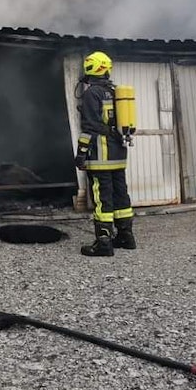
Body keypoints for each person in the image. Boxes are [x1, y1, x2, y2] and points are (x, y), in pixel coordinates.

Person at [75, 51, 135, 256]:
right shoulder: (116, 92)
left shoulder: (92, 93)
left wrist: (81, 153)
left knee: (103, 198)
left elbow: (90, 126)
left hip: (101, 157)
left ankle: (103, 243)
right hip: (119, 155)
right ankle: (126, 237)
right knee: (121, 196)